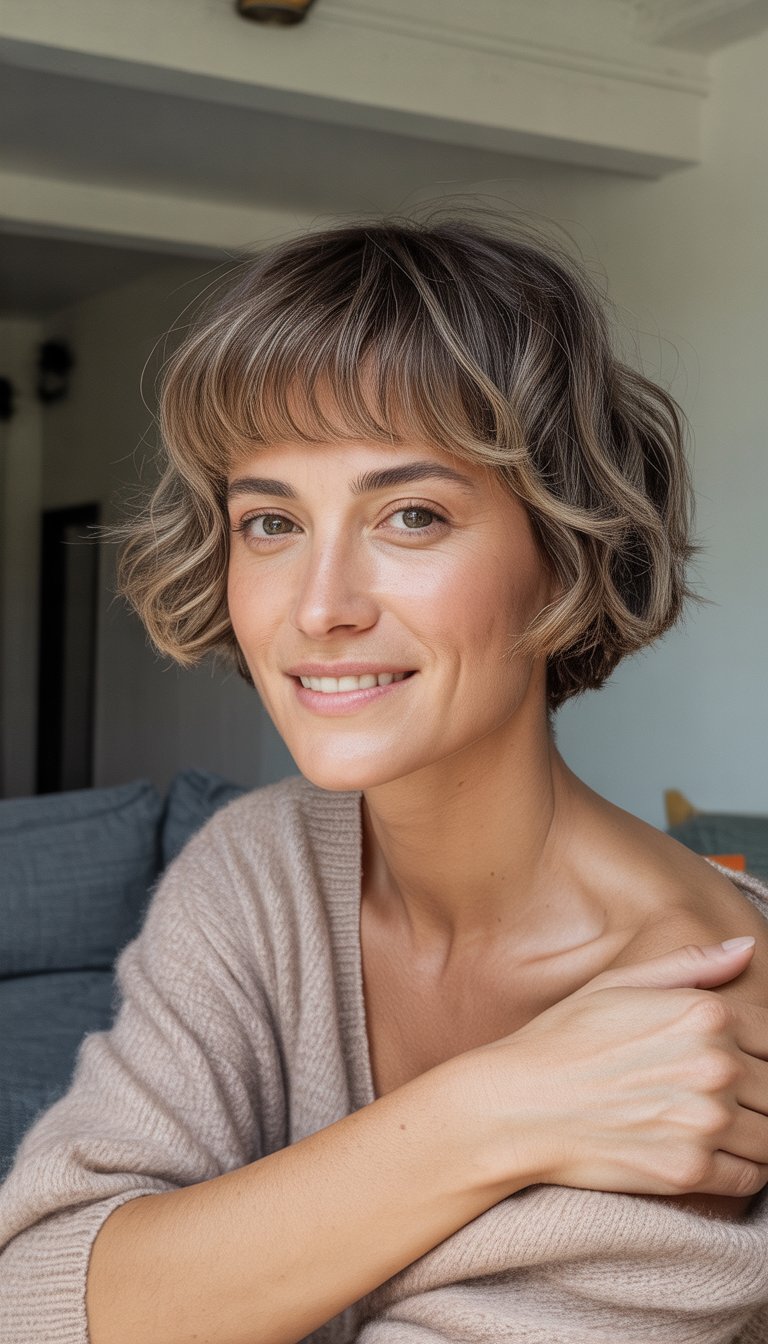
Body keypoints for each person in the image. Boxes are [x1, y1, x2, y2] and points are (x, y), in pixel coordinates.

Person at [2, 211, 768, 1344]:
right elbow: (39, 1294)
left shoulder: (704, 1035)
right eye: (270, 520)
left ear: (569, 544)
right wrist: (493, 1110)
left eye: (410, 515)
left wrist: (189, 1271)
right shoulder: (262, 866)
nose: (319, 606)